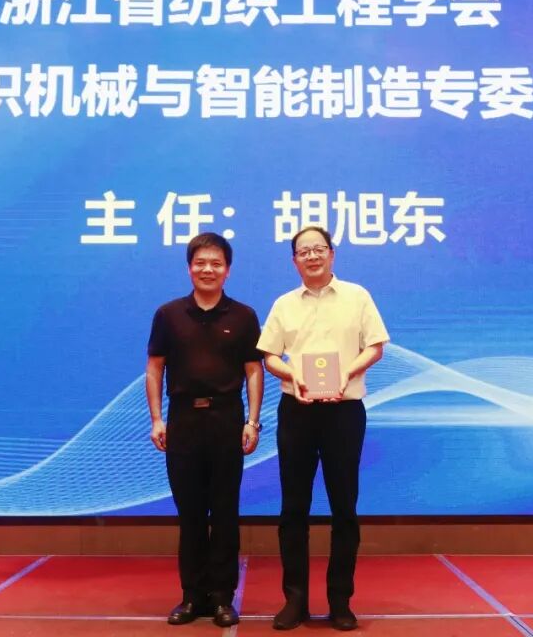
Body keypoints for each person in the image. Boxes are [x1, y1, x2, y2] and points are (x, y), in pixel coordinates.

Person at [257, 226, 389, 632]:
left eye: (319, 249)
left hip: (344, 412)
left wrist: (346, 373)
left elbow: (375, 346)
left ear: (332, 253)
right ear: (294, 261)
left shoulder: (357, 296)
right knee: (293, 509)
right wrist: (292, 374)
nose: (312, 256)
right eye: (304, 252)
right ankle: (295, 599)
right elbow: (268, 356)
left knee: (344, 508)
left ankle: (340, 601)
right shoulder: (284, 304)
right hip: (296, 410)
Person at [146, 232, 264, 628]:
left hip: (227, 419)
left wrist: (252, 421)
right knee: (191, 513)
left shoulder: (243, 316)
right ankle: (192, 596)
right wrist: (157, 419)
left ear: (227, 270)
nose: (207, 269)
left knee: (226, 512)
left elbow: (254, 371)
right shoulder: (168, 314)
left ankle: (222, 598)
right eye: (200, 262)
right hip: (183, 420)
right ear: (189, 268)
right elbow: (155, 369)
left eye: (216, 263)